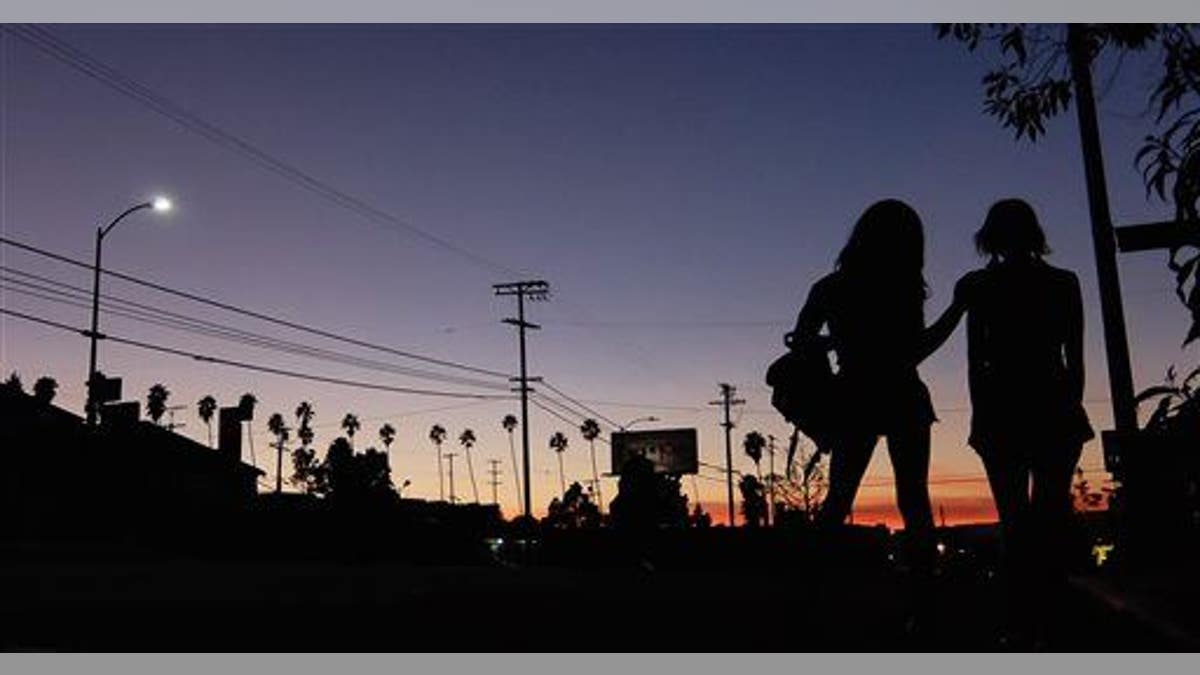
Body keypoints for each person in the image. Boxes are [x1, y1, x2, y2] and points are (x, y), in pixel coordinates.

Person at [787, 199, 966, 574]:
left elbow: (800, 342)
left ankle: (814, 590)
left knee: (839, 498)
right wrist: (955, 311)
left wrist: (837, 343)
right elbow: (914, 350)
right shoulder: (902, 289)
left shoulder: (830, 287)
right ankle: (923, 593)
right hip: (902, 394)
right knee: (914, 498)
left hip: (854, 394)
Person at [956, 199, 1093, 641]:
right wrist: (1070, 403)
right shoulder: (1061, 283)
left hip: (1006, 410)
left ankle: (1022, 619)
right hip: (1048, 405)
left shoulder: (982, 287)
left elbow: (977, 362)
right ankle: (1048, 614)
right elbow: (1076, 358)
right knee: (1047, 512)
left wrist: (981, 417)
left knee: (1016, 519)